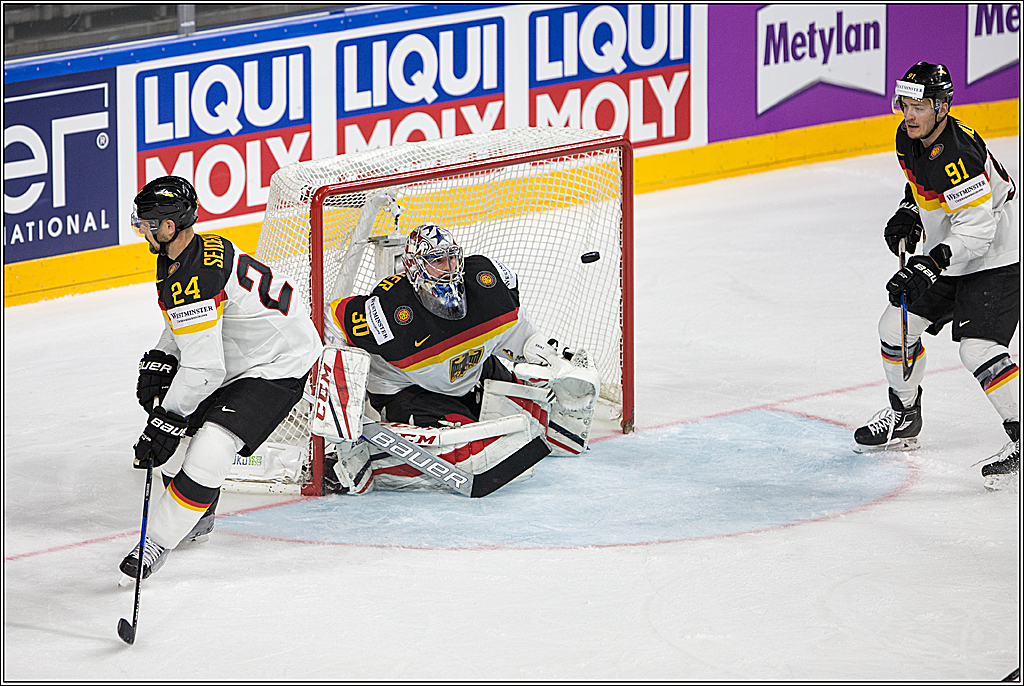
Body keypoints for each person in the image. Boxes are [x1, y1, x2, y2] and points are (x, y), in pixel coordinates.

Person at [122, 176, 322, 579]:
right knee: (171, 423)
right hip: (243, 352)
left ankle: (157, 542)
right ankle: (195, 515)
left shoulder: (191, 273)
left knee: (210, 446)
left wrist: (167, 420)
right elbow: (189, 320)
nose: (141, 229)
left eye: (147, 223)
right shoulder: (192, 250)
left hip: (278, 362)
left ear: (169, 226)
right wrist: (164, 354)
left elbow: (205, 368)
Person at [322, 223, 597, 492]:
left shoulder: (487, 283)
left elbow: (519, 334)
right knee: (470, 453)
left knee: (552, 425)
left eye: (452, 258)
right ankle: (372, 457)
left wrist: (551, 360)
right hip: (410, 389)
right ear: (414, 269)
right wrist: (343, 404)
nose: (449, 267)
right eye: (437, 261)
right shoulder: (390, 311)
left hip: (473, 372)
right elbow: (334, 318)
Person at [854, 62, 1019, 490]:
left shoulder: (959, 153)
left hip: (995, 256)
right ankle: (905, 416)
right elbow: (923, 186)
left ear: (942, 107)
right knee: (894, 329)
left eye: (920, 107)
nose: (909, 115)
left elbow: (978, 230)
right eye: (905, 105)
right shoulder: (907, 138)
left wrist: (931, 263)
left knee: (979, 349)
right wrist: (909, 210)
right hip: (951, 253)